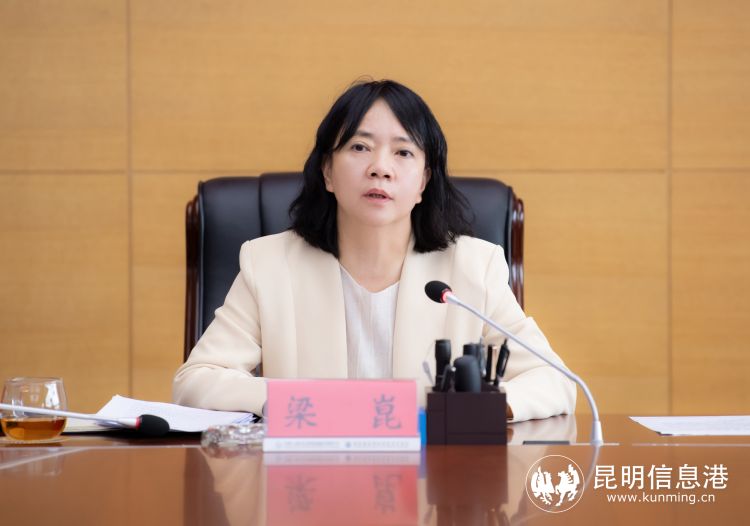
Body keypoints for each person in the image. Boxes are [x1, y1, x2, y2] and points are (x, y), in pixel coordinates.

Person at [173, 79, 575, 422]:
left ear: (423, 182)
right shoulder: (269, 264)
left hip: (430, 481)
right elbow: (196, 380)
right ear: (327, 172)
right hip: (308, 479)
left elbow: (554, 380)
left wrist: (473, 410)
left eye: (403, 152)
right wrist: (299, 401)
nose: (380, 167)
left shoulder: (472, 268)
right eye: (360, 147)